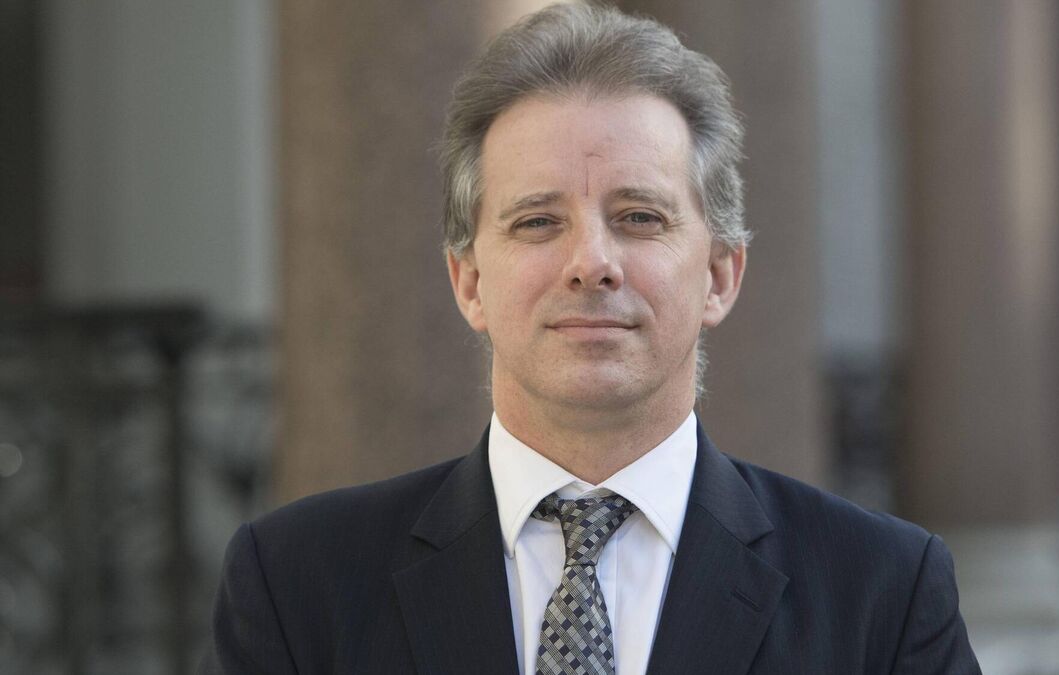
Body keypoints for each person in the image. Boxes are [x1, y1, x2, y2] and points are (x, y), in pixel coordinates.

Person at [203, 4, 981, 674]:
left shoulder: (882, 592)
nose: (591, 263)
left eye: (639, 216)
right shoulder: (297, 584)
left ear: (719, 275)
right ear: (469, 281)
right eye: (538, 221)